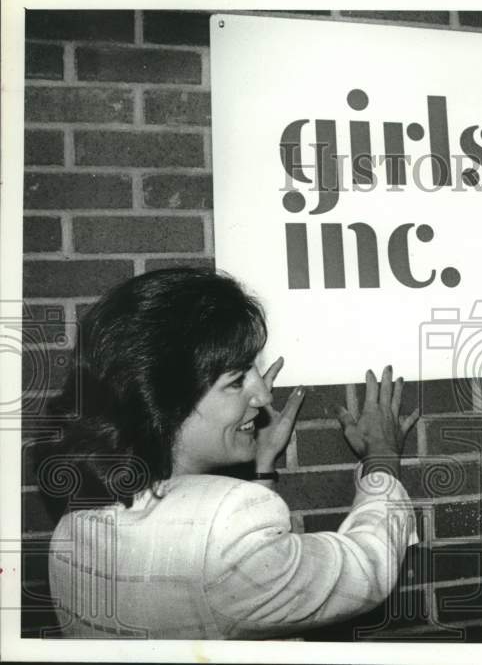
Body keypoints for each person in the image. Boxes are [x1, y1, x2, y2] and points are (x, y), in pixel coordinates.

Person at [42, 268, 419, 639]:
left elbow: (232, 590)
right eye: (237, 380)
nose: (263, 396)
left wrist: (262, 466)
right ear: (164, 402)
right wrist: (381, 458)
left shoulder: (72, 525)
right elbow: (365, 570)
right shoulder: (229, 521)